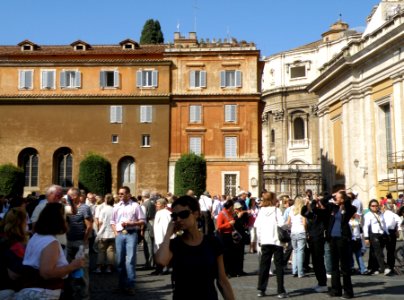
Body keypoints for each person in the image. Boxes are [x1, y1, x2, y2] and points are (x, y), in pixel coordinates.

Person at [155, 195, 235, 300]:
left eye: (183, 214)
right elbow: (161, 261)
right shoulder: (174, 244)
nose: (178, 219)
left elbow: (222, 280)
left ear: (196, 214)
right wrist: (168, 234)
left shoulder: (212, 242)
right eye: (174, 216)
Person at [16, 203, 84, 300]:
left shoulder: (36, 237)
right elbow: (47, 273)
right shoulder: (50, 242)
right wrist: (72, 266)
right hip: (42, 292)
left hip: (32, 289)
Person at [110, 186, 145, 295]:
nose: (120, 195)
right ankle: (121, 285)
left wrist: (132, 223)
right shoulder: (116, 207)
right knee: (119, 261)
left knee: (130, 260)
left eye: (122, 194)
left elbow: (143, 221)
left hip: (131, 234)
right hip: (120, 234)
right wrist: (116, 233)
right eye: (119, 194)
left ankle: (130, 286)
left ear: (128, 194)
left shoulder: (135, 206)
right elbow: (112, 221)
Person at [254, 191, 288, 298]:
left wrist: (259, 239)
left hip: (265, 240)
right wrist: (287, 226)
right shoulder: (276, 210)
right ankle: (280, 291)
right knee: (279, 267)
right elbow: (282, 224)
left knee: (264, 266)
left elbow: (257, 226)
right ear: (273, 199)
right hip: (276, 241)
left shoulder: (261, 211)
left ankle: (261, 289)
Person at [327, 190, 356, 299]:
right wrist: (333, 194)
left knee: (344, 266)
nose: (335, 199)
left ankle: (348, 292)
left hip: (343, 239)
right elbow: (324, 201)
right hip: (333, 239)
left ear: (343, 199)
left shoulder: (349, 209)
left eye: (337, 197)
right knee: (334, 266)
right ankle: (336, 290)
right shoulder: (333, 208)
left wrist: (344, 197)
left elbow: (349, 205)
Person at [301, 195, 329, 292]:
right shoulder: (315, 214)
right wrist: (306, 204)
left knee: (318, 261)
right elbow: (303, 212)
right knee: (315, 262)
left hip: (319, 238)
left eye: (319, 203)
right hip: (313, 238)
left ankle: (323, 283)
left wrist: (314, 202)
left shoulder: (324, 213)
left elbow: (314, 209)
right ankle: (320, 282)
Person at [0, 207, 28, 298]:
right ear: (21, 224)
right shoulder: (15, 244)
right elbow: (15, 274)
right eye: (25, 222)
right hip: (7, 289)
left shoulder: (3, 237)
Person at [95, 194, 115, 273]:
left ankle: (99, 267)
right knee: (111, 251)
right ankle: (109, 268)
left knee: (101, 251)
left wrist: (99, 231)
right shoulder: (115, 209)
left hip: (103, 233)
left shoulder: (103, 210)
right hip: (113, 233)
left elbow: (100, 222)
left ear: (106, 200)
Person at [216, 200, 237, 277]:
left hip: (229, 235)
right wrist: (229, 223)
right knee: (225, 255)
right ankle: (224, 272)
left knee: (230, 254)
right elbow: (219, 226)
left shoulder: (230, 213)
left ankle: (230, 271)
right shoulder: (222, 214)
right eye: (232, 207)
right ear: (230, 207)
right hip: (223, 236)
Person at [287, 196, 307, 278]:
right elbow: (304, 223)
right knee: (300, 252)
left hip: (293, 232)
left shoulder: (292, 210)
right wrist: (306, 231)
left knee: (295, 251)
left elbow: (288, 222)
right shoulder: (302, 210)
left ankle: (294, 270)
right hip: (301, 231)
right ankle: (300, 271)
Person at [152, 198, 172, 275]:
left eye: (158, 204)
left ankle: (164, 268)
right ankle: (159, 269)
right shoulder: (159, 212)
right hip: (158, 236)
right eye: (156, 204)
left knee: (163, 253)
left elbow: (167, 226)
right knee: (158, 252)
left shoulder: (166, 213)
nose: (156, 205)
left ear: (163, 205)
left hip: (162, 236)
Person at [381, 199, 402, 274]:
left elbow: (399, 221)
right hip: (384, 232)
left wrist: (398, 229)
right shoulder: (382, 213)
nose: (389, 205)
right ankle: (385, 265)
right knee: (382, 250)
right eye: (388, 203)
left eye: (390, 203)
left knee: (390, 250)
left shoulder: (393, 214)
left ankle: (390, 266)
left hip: (390, 232)